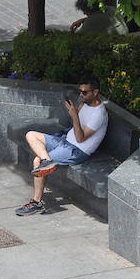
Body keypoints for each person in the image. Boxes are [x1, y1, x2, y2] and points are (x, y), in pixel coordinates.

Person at [15, 76, 109, 216]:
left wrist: (74, 116)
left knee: (37, 161)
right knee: (31, 135)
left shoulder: (99, 114)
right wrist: (75, 113)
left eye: (85, 92)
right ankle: (47, 161)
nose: (81, 95)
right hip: (64, 140)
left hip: (77, 150)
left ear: (95, 92)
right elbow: (76, 124)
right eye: (80, 92)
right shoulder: (84, 103)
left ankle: (37, 203)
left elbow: (80, 138)